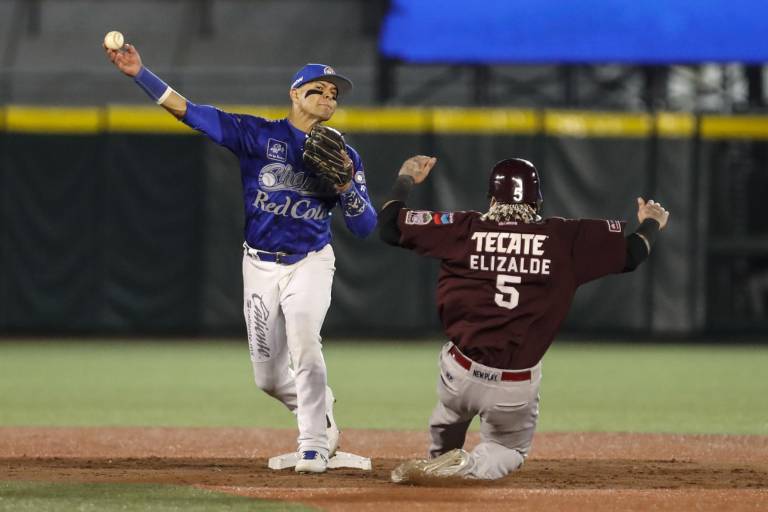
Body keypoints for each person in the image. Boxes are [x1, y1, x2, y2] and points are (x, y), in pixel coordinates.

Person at [105, 43, 377, 473]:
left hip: (310, 261)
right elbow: (190, 112)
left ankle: (313, 446)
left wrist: (346, 186)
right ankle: (319, 410)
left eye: (334, 94)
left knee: (306, 344)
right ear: (294, 93)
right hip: (259, 263)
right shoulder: (258, 135)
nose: (328, 97)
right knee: (267, 378)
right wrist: (141, 73)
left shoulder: (345, 155)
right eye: (318, 90)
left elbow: (365, 228)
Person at [379, 156, 669, 482]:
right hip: (513, 386)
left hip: (458, 373)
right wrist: (651, 222)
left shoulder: (461, 227)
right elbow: (632, 254)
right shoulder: (564, 239)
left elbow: (389, 226)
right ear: (538, 202)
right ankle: (468, 466)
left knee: (449, 414)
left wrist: (405, 177)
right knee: (509, 450)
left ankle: (440, 457)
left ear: (491, 199)